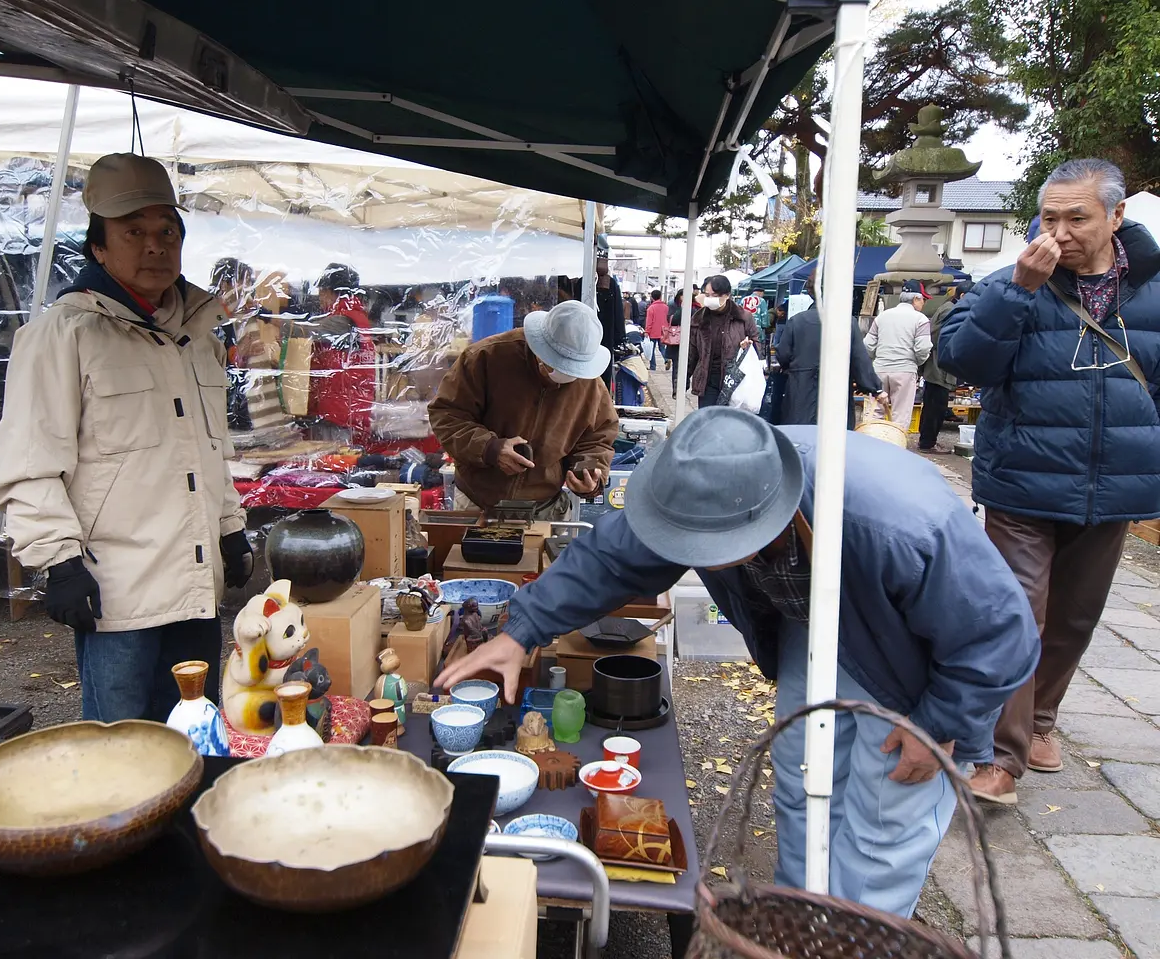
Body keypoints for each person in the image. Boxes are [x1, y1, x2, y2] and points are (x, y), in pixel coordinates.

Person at [438, 408, 1039, 917]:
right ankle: (802, 921)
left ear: (763, 518)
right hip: (818, 625)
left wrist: (939, 725)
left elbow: (999, 634)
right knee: (803, 774)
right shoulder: (703, 486)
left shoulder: (895, 527)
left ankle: (862, 938)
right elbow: (612, 558)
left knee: (885, 818)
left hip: (918, 653)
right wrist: (522, 630)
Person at [0, 153, 253, 723]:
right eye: (134, 232)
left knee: (193, 732)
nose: (155, 246)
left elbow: (210, 451)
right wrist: (57, 561)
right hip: (118, 592)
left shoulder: (195, 336)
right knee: (122, 744)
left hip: (194, 584)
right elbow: (29, 464)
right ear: (99, 248)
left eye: (167, 231)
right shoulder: (62, 334)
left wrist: (230, 529)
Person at [938, 157, 1160, 805]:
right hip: (1022, 484)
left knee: (1073, 619)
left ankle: (1039, 721)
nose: (1059, 230)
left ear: (1116, 217)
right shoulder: (1010, 279)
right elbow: (961, 360)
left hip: (1116, 484)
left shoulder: (1151, 289)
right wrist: (1018, 291)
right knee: (1016, 614)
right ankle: (999, 758)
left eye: (1076, 217)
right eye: (1049, 216)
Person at [428, 300, 618, 520]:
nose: (563, 375)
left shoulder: (591, 383)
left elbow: (598, 437)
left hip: (546, 509)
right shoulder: (487, 357)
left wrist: (590, 474)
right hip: (477, 502)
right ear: (539, 346)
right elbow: (447, 415)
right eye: (554, 365)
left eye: (572, 369)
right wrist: (490, 448)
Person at [777, 273, 887, 428]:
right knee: (833, 442)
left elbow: (783, 355)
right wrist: (875, 388)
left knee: (800, 441)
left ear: (810, 291)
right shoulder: (847, 322)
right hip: (836, 392)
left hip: (800, 392)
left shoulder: (797, 321)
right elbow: (859, 360)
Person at [306, 261, 376, 438]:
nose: (320, 297)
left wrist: (270, 321)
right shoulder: (357, 315)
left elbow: (305, 331)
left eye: (321, 291)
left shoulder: (343, 320)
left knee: (335, 459)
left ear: (330, 292)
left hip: (339, 412)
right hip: (351, 408)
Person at [863, 283, 931, 430]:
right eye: (923, 300)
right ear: (915, 299)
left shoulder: (882, 316)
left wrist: (877, 358)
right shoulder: (921, 319)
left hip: (879, 369)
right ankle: (896, 447)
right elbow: (923, 348)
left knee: (874, 413)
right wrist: (915, 362)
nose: (923, 303)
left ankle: (871, 444)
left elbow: (868, 345)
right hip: (904, 370)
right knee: (900, 415)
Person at [687, 275, 759, 408]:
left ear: (727, 295)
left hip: (734, 380)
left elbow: (756, 343)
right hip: (707, 379)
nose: (710, 299)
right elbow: (691, 353)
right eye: (707, 295)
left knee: (728, 424)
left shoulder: (743, 317)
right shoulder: (698, 319)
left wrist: (749, 346)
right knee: (708, 421)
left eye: (714, 295)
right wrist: (682, 379)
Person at [918, 280, 972, 452]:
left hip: (937, 364)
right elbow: (940, 338)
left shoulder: (947, 307)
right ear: (963, 296)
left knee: (933, 405)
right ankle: (928, 443)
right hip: (938, 366)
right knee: (936, 407)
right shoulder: (950, 310)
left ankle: (927, 441)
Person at [572, 251, 626, 388]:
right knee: (603, 371)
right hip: (605, 337)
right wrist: (620, 338)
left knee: (583, 372)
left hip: (583, 335)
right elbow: (618, 312)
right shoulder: (612, 284)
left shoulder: (582, 282)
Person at [644, 289, 668, 371]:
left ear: (652, 297)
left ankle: (653, 366)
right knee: (662, 348)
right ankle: (667, 359)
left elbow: (649, 321)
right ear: (660, 296)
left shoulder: (651, 308)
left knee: (652, 349)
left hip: (653, 331)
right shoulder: (666, 307)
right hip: (663, 331)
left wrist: (647, 331)